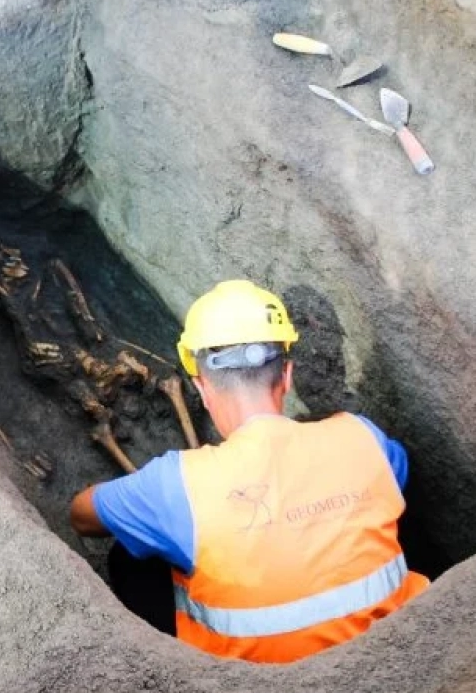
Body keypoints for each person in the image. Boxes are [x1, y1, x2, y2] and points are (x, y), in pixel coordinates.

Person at [70, 280, 429, 663]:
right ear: (287, 376)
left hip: (262, 688)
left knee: (129, 554)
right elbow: (397, 474)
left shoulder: (176, 484)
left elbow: (81, 515)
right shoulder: (363, 438)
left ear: (201, 387)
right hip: (400, 655)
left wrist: (150, 496)